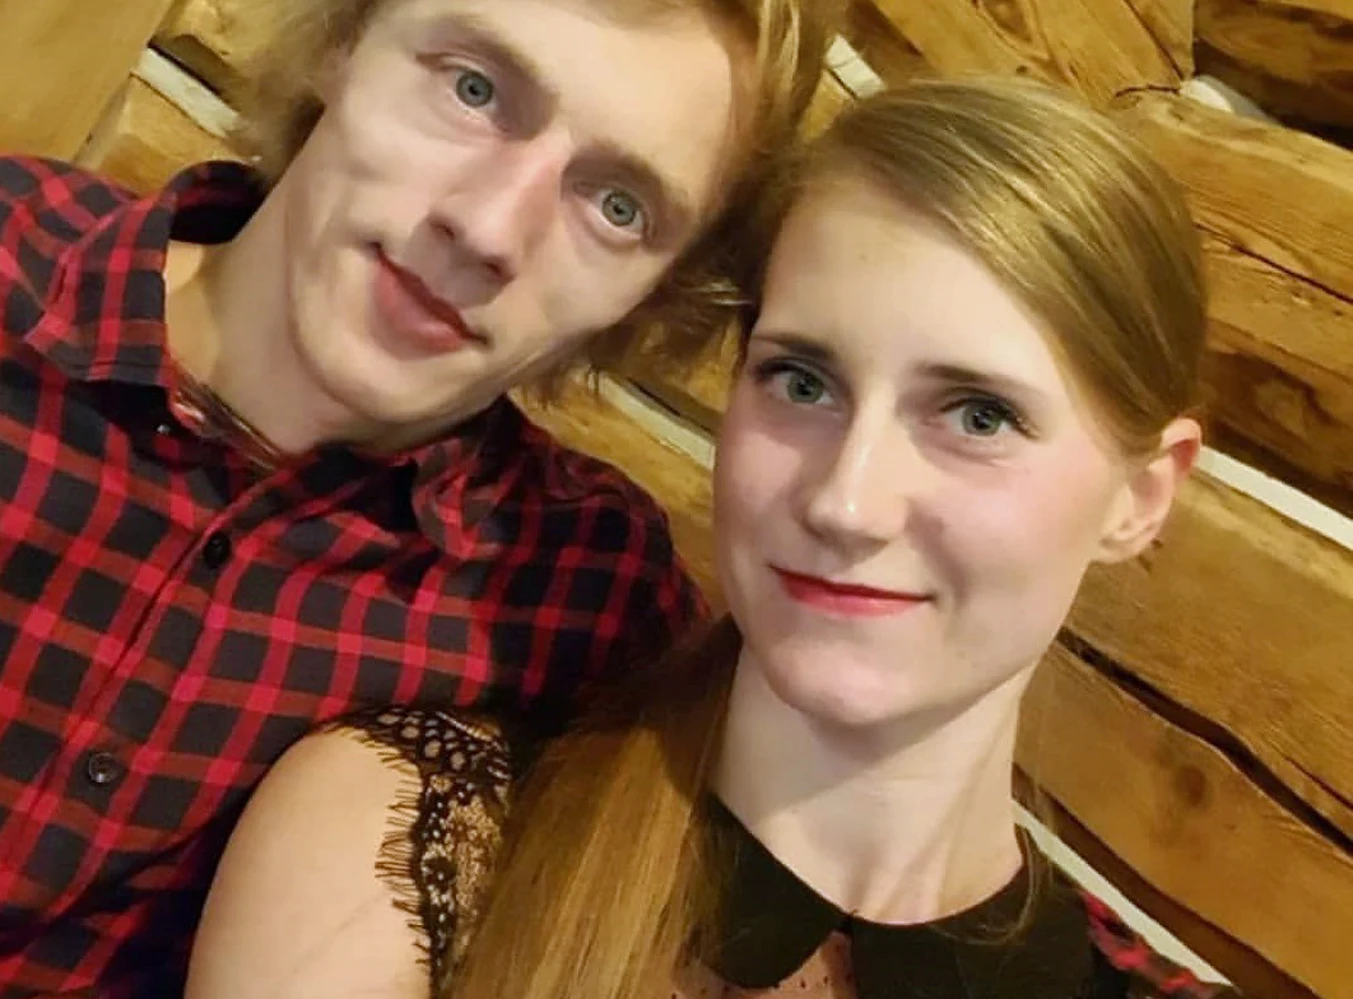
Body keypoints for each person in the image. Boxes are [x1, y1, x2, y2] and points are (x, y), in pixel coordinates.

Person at [185, 77, 1240, 998]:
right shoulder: (401, 845)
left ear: (1139, 498)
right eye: (802, 382)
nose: (846, 502)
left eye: (977, 415)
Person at [0, 0, 840, 991]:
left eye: (617, 206)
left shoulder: (580, 595)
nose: (487, 229)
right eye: (473, 89)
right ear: (345, 41)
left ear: (656, 291)